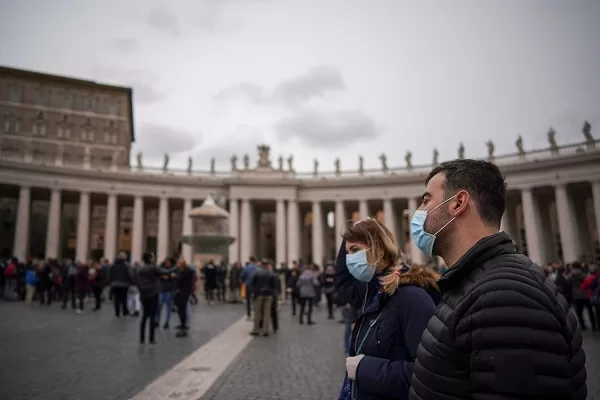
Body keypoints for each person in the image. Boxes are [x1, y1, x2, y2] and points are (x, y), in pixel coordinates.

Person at [408, 159, 587, 400]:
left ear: (458, 203)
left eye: (426, 200)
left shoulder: (504, 298)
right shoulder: (480, 285)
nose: (418, 212)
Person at [335, 219, 439, 400]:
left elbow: (431, 374)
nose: (350, 259)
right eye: (347, 253)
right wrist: (350, 236)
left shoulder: (412, 298)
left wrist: (363, 368)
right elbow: (342, 282)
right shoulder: (372, 291)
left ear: (380, 249)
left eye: (355, 251)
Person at [133, 252, 176, 344]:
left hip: (144, 294)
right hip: (153, 293)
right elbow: (166, 271)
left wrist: (142, 289)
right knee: (152, 316)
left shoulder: (139, 268)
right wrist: (176, 266)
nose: (154, 258)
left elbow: (135, 280)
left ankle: (142, 338)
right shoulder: (153, 267)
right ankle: (151, 338)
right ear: (149, 258)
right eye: (153, 257)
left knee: (144, 316)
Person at [249, 260, 278, 336]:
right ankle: (265, 330)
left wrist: (255, 292)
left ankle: (256, 329)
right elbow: (275, 286)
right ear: (267, 264)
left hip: (259, 294)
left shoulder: (256, 272)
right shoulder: (271, 273)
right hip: (268, 295)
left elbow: (251, 285)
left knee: (257, 312)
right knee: (267, 313)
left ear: (261, 265)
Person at [174, 258, 195, 338]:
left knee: (182, 309)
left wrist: (176, 276)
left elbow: (180, 280)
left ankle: (184, 325)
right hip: (182, 292)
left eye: (179, 263)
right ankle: (182, 324)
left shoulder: (186, 271)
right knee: (181, 309)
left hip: (183, 292)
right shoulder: (185, 271)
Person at [109, 252, 133, 317]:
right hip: (124, 284)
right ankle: (125, 312)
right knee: (124, 298)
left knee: (116, 299)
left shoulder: (114, 265)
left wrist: (111, 282)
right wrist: (132, 282)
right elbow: (130, 274)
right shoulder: (127, 265)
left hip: (115, 284)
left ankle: (117, 313)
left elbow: (111, 274)